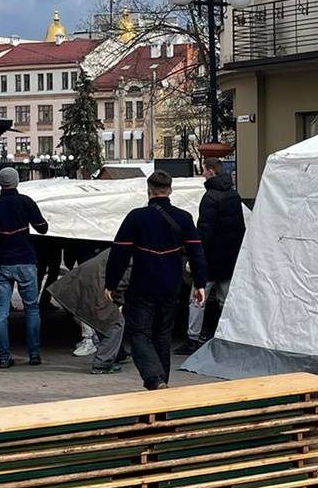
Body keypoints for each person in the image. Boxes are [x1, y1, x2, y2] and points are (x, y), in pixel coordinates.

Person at [103, 171, 207, 391]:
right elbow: (197, 252)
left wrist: (111, 284)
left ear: (148, 190)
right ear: (170, 190)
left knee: (139, 332)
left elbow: (119, 253)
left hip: (143, 284)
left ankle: (154, 378)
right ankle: (162, 382)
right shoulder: (184, 218)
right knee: (163, 334)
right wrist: (199, 283)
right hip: (171, 286)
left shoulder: (136, 217)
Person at [0, 167, 49, 367]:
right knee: (32, 308)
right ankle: (34, 354)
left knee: (1, 312)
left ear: (0, 183)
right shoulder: (26, 202)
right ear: (17, 182)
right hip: (25, 259)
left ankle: (3, 357)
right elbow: (42, 228)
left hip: (1, 262)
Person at [195, 160, 246, 346]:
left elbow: (204, 231)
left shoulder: (209, 198)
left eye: (203, 171)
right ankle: (228, 334)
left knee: (198, 298)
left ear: (210, 171)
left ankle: (193, 337)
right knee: (226, 299)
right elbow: (240, 228)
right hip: (229, 257)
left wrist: (196, 257)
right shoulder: (234, 195)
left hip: (209, 259)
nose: (202, 175)